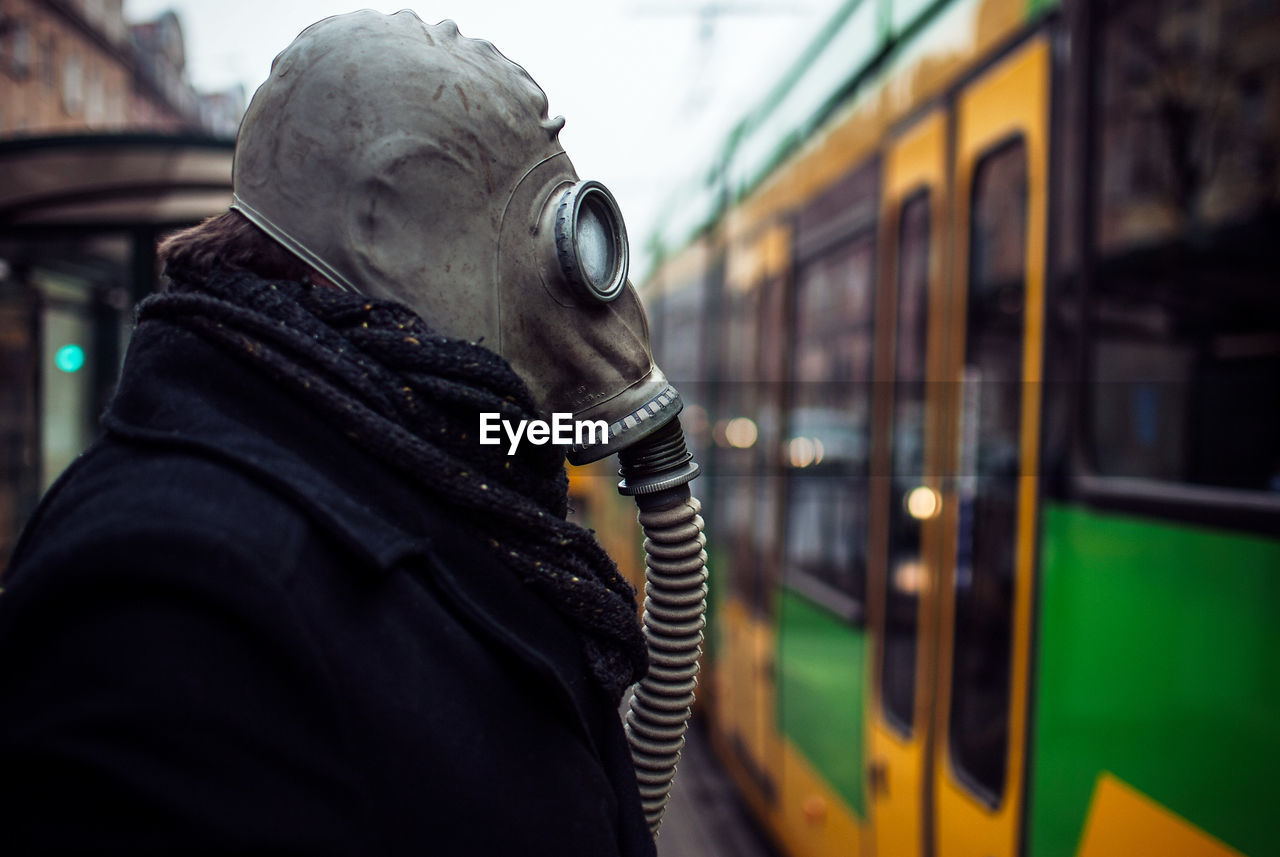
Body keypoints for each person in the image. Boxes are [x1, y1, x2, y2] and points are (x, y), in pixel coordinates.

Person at [0, 11, 672, 856]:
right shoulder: (169, 591)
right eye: (535, 228)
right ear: (384, 227)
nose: (572, 281)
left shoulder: (437, 475)